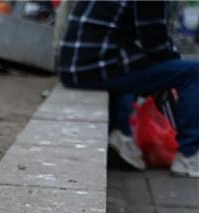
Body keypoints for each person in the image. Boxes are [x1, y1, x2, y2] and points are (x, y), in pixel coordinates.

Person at [57, 1, 198, 178]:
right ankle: (189, 156)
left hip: (77, 66)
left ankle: (121, 132)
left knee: (136, 65)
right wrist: (172, 67)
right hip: (95, 67)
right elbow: (155, 43)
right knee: (193, 73)